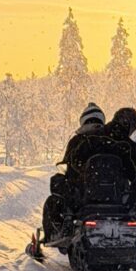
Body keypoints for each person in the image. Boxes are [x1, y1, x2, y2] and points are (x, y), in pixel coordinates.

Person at [42, 103, 107, 241]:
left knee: (57, 188)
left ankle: (61, 225)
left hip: (84, 194)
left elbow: (71, 168)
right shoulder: (111, 140)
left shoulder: (77, 141)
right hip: (111, 195)